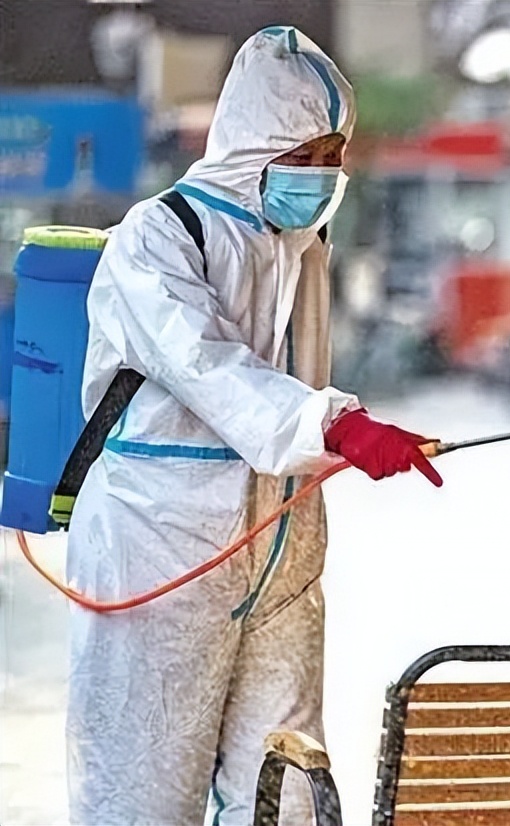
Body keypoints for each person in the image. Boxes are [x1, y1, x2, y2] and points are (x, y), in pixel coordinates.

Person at [66, 28, 442, 826]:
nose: (323, 176)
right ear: (251, 144)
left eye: (334, 155)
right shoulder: (159, 236)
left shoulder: (304, 244)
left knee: (291, 792)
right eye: (303, 155)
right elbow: (206, 367)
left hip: (281, 546)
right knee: (140, 796)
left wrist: (334, 434)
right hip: (157, 546)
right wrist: (337, 425)